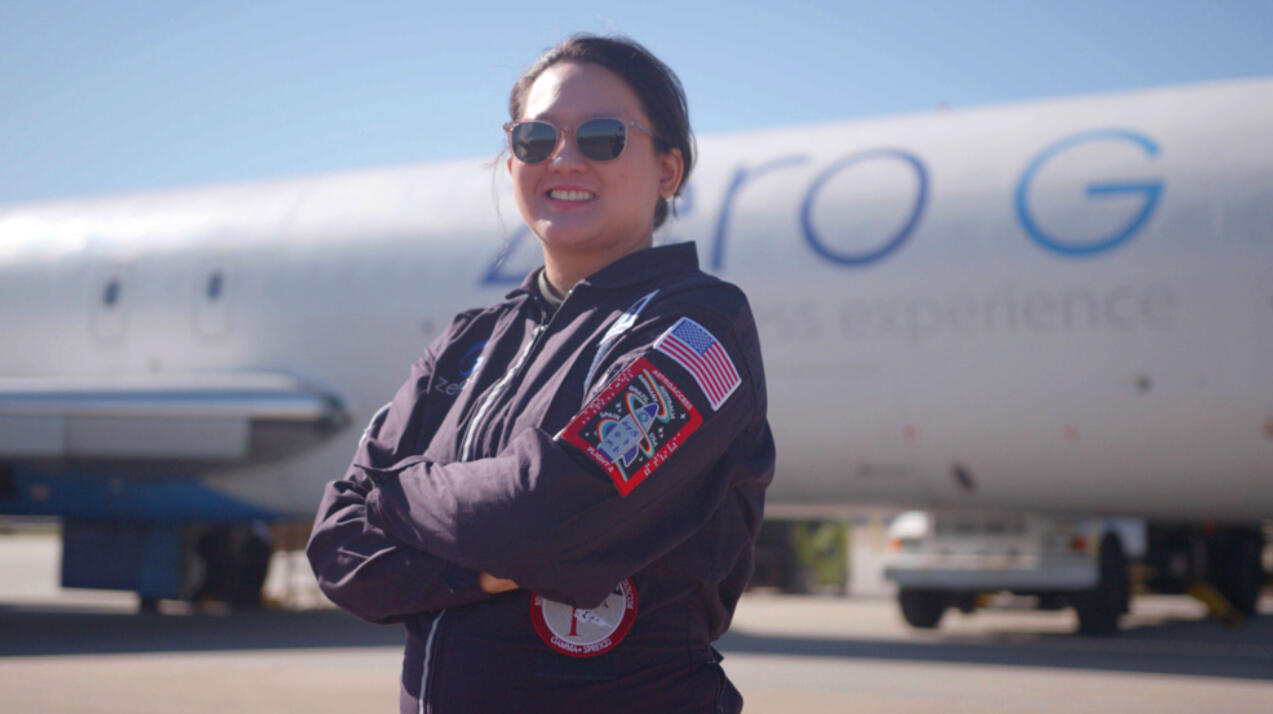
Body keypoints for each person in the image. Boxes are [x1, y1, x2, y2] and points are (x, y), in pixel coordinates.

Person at [306, 34, 774, 714]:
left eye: (602, 136)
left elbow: (546, 515)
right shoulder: (469, 342)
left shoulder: (700, 330)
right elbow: (338, 552)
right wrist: (492, 569)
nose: (563, 158)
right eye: (534, 138)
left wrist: (389, 495)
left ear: (667, 171)